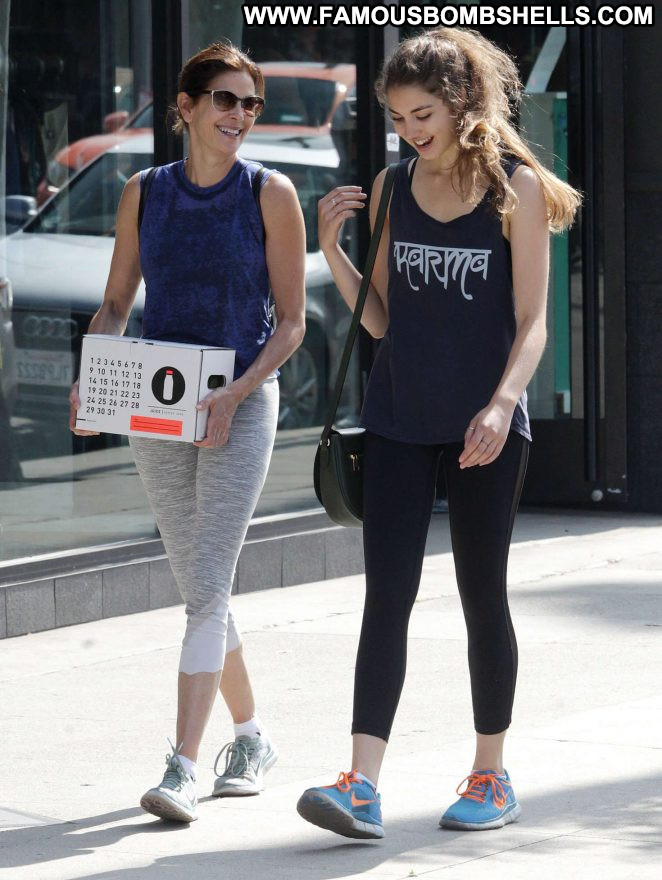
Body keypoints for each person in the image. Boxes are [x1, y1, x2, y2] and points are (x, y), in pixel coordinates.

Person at [297, 27, 580, 838]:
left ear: (460, 103)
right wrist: (332, 250)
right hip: (398, 418)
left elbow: (533, 322)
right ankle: (361, 783)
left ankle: (491, 775)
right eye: (398, 118)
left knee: (481, 595)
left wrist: (500, 405)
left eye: (422, 114)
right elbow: (383, 320)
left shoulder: (516, 189)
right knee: (386, 597)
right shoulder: (393, 186)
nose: (411, 130)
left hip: (485, 426)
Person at [69, 41, 306, 823]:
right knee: (204, 588)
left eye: (251, 104)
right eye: (226, 100)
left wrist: (237, 394)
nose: (240, 115)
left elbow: (293, 324)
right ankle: (253, 737)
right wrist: (93, 372)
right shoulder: (145, 192)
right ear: (187, 107)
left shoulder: (270, 193)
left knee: (204, 588)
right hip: (158, 406)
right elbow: (116, 303)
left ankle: (182, 766)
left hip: (240, 404)